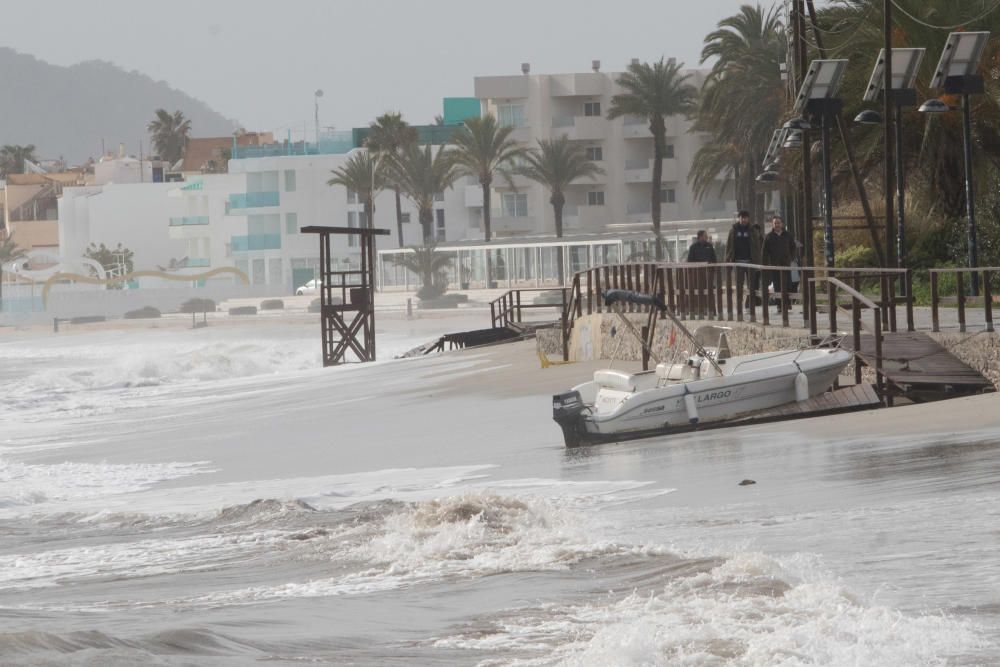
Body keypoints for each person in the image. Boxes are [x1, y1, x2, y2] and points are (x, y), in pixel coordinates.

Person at [725, 210, 762, 308]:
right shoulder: (733, 230)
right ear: (739, 218)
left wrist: (758, 262)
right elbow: (729, 246)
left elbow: (757, 247)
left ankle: (750, 305)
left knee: (752, 286)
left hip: (750, 262)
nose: (744, 220)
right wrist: (727, 261)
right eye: (742, 217)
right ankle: (739, 306)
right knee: (739, 286)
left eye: (745, 217)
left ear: (748, 218)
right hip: (738, 263)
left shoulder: (752, 230)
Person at [761, 215, 797, 307]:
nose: (777, 225)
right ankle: (779, 305)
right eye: (775, 223)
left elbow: (793, 247)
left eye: (778, 223)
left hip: (786, 265)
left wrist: (791, 258)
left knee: (788, 284)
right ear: (772, 224)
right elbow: (764, 252)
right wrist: (765, 265)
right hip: (774, 265)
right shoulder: (768, 237)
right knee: (777, 286)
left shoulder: (788, 235)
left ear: (782, 224)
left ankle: (788, 304)